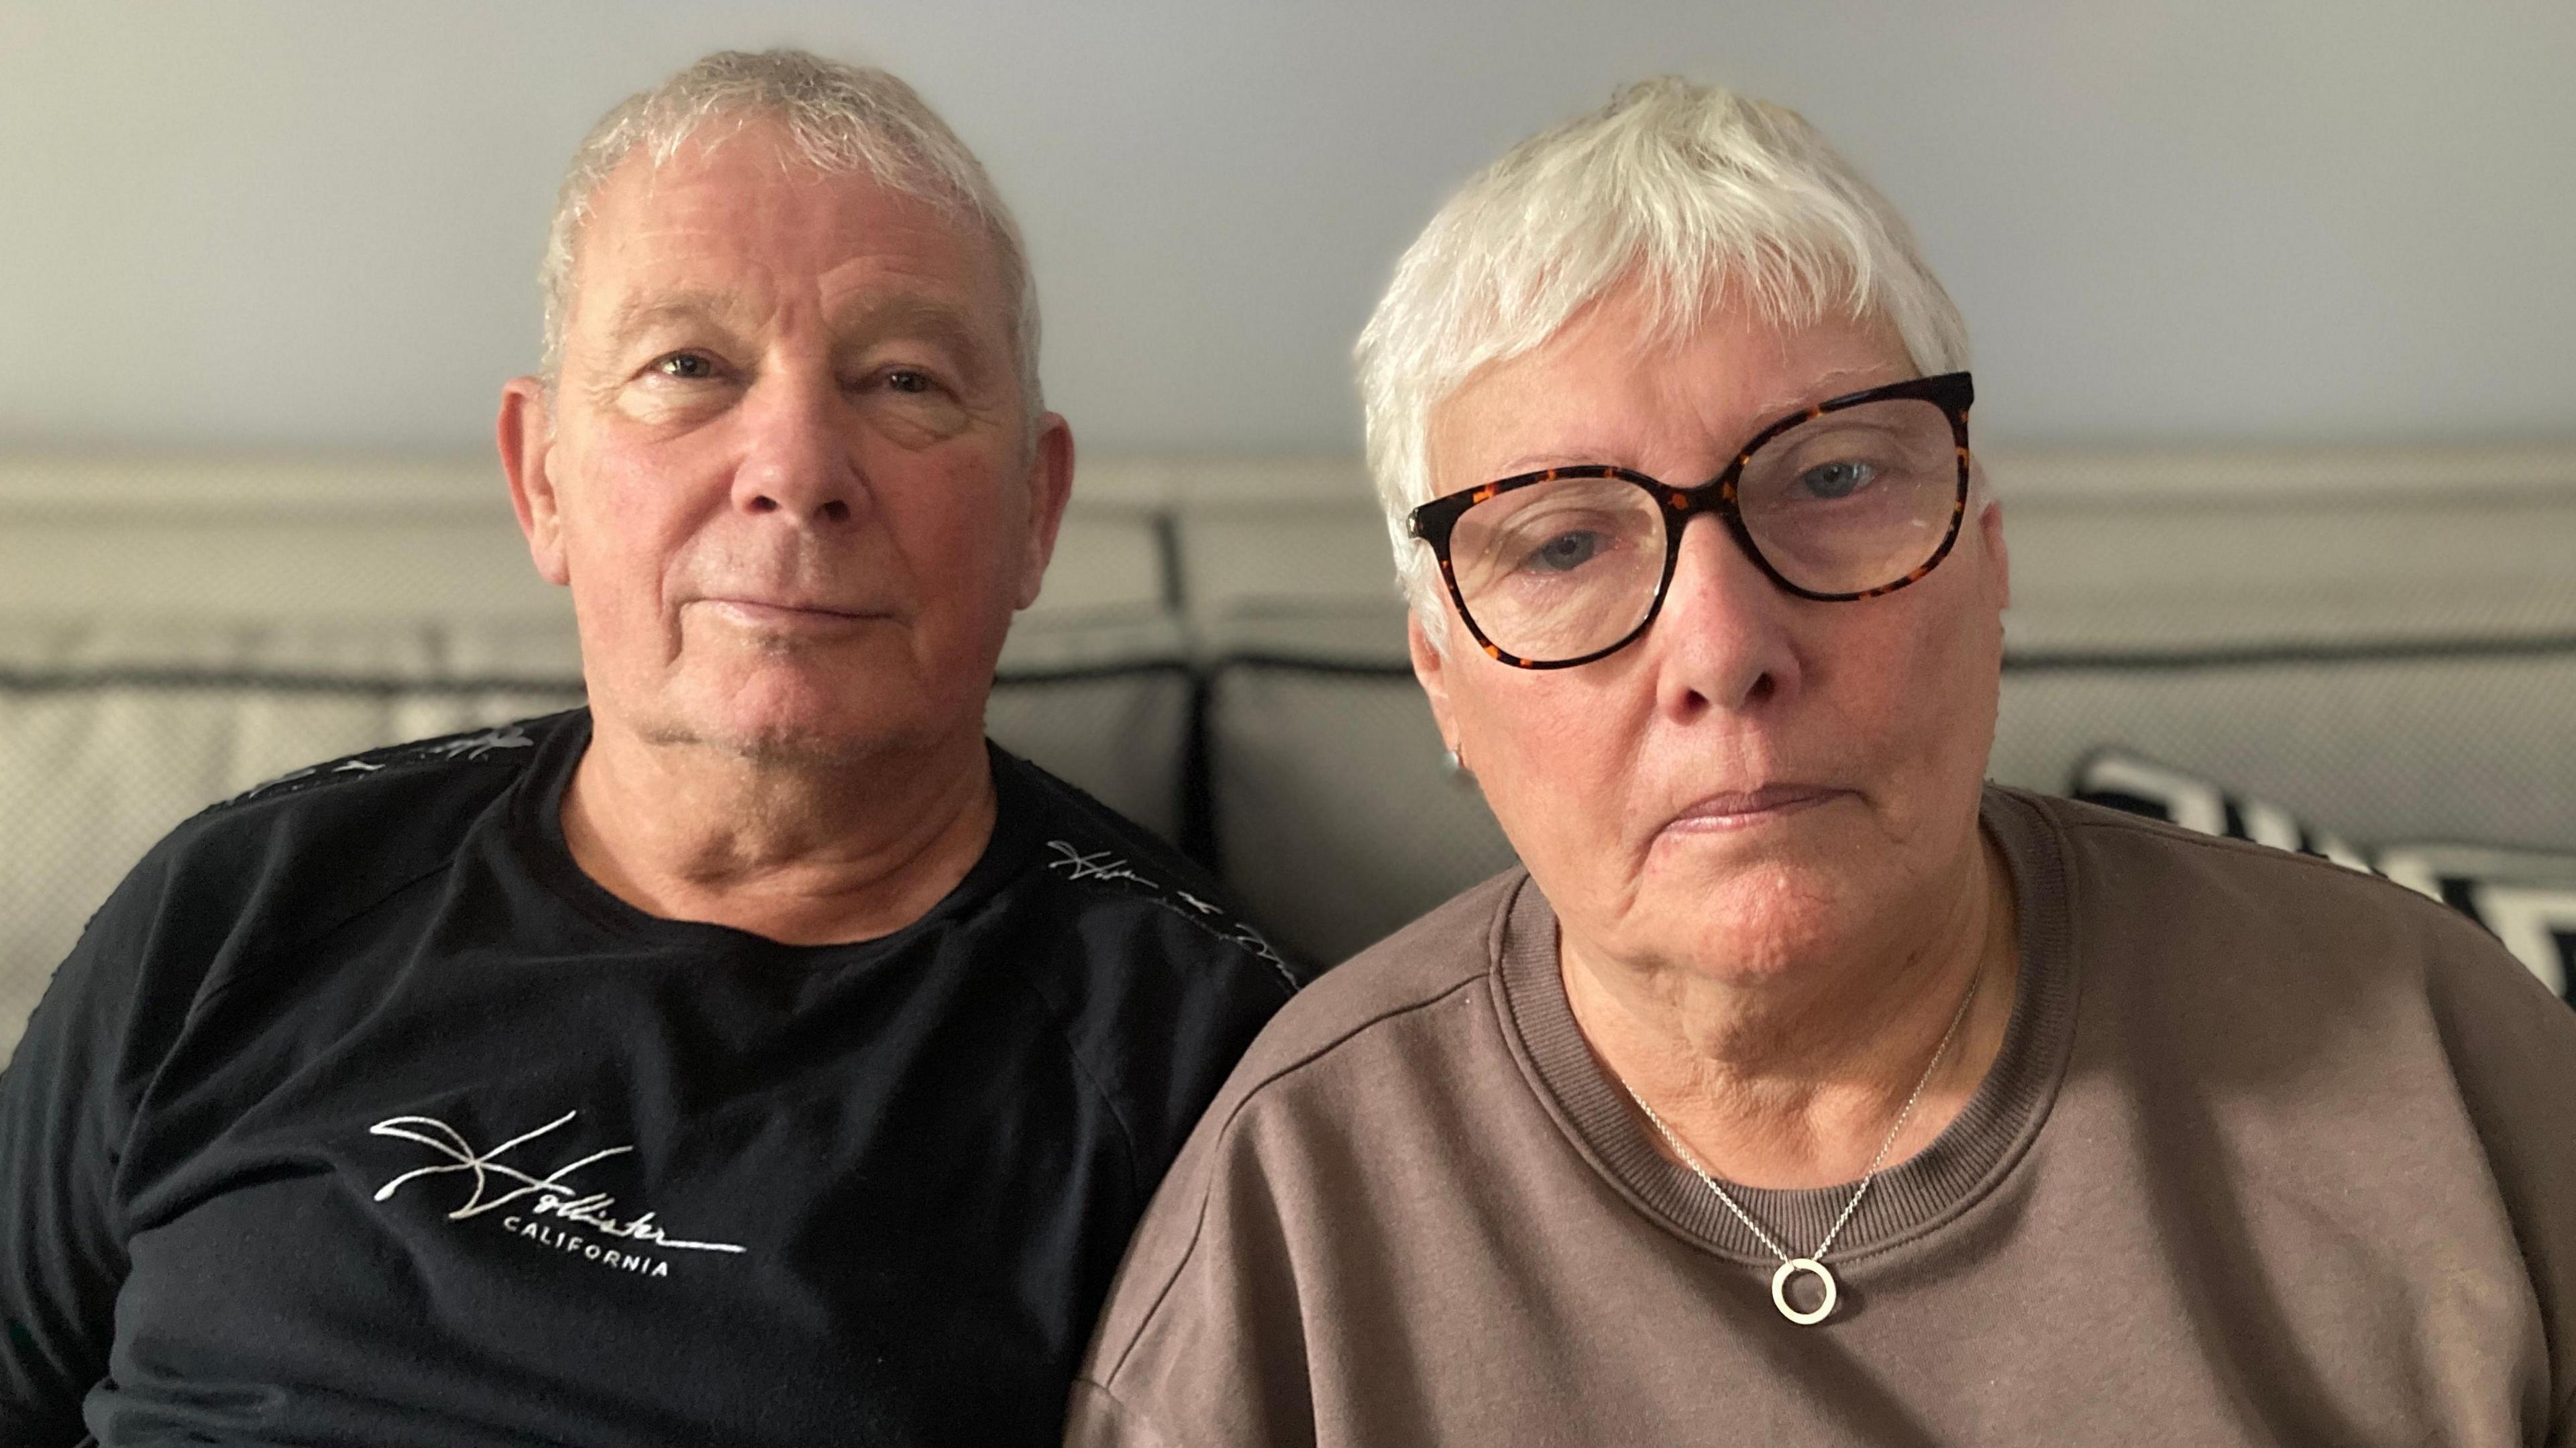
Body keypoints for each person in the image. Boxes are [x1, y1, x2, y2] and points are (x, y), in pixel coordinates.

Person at [1069, 78, 2576, 1445]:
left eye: (1835, 478)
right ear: (1444, 684)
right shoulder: (1299, 1210)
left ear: (1989, 563)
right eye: (1567, 540)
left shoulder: (2442, 1067)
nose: (1725, 647)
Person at [0, 49, 1299, 1448]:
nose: (795, 465)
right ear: (541, 476)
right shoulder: (239, 907)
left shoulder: (1222, 1079)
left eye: (906, 380)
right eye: (689, 366)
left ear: (1035, 510)